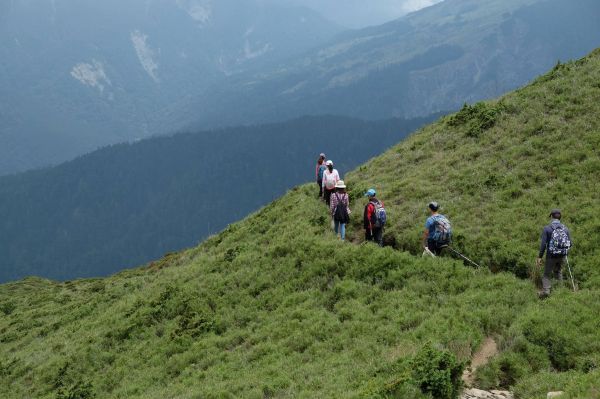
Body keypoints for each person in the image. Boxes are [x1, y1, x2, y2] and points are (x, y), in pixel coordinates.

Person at [536, 209, 572, 298]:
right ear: (560, 217)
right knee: (558, 272)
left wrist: (540, 257)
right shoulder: (565, 229)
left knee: (546, 275)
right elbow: (570, 243)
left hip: (550, 256)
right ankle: (561, 291)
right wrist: (562, 249)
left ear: (551, 217)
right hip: (562, 255)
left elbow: (543, 244)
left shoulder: (547, 228)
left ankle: (546, 291)